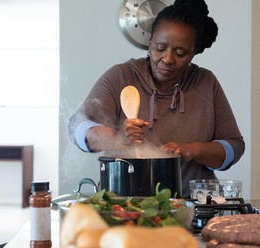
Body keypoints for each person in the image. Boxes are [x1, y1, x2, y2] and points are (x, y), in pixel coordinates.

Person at [68, 0, 245, 198]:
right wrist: (117, 138)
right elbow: (77, 127)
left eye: (180, 53)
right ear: (150, 42)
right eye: (160, 48)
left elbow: (234, 147)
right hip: (123, 206)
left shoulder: (205, 82)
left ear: (194, 53)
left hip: (191, 208)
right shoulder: (120, 76)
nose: (168, 59)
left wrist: (193, 150)